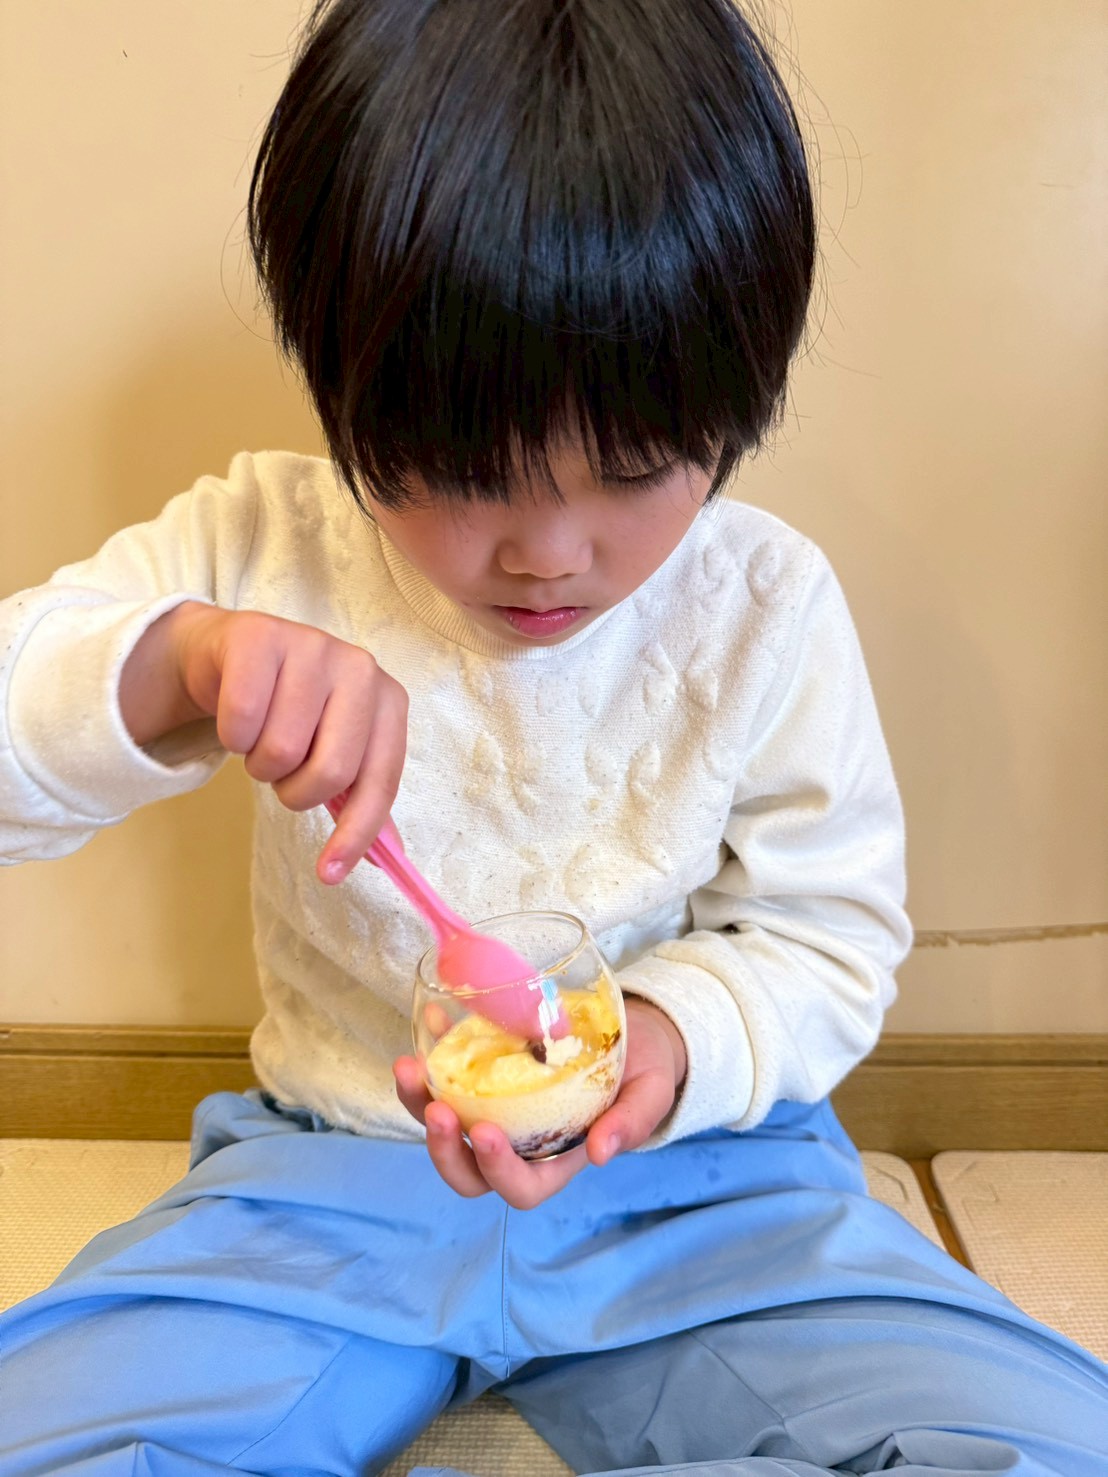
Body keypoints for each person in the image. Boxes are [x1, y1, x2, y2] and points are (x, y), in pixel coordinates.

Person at [1, 1, 1105, 1472]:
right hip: (329, 1186)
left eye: (637, 468)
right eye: (465, 473)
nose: (549, 554)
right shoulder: (260, 547)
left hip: (703, 1194)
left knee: (1042, 1442)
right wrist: (179, 667)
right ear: (344, 388)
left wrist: (668, 1040)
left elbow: (829, 936)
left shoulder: (762, 603)